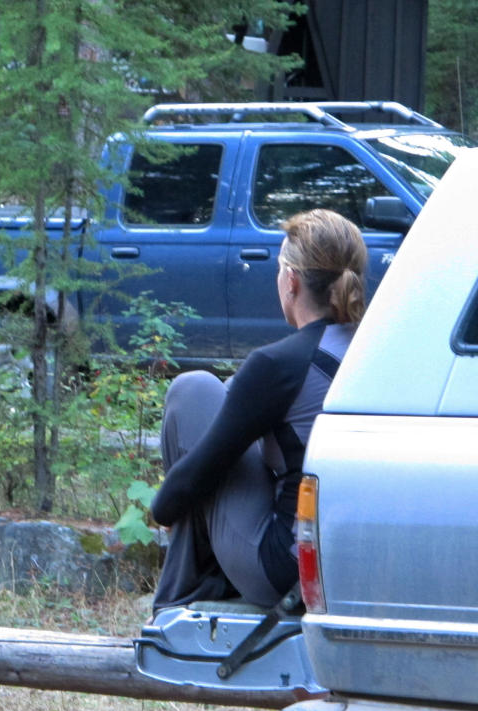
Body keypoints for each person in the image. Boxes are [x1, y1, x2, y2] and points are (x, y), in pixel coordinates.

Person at [149, 208, 367, 614]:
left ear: (291, 281)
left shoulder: (280, 364)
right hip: (357, 562)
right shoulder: (377, 350)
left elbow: (194, 477)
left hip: (286, 574)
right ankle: (185, 592)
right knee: (226, 403)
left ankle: (177, 597)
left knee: (193, 390)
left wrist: (159, 509)